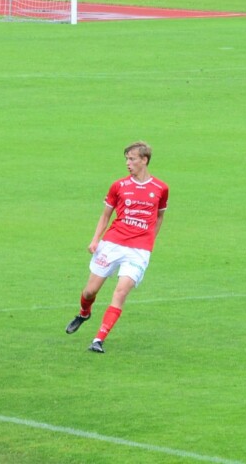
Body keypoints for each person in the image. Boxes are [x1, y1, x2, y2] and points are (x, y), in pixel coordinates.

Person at [64, 141, 169, 354]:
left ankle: (98, 340)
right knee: (90, 290)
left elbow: (159, 217)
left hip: (138, 250)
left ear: (144, 160)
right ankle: (84, 313)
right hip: (112, 243)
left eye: (132, 159)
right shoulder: (119, 186)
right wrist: (95, 240)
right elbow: (105, 216)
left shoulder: (160, 188)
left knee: (120, 292)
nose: (128, 163)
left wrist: (150, 241)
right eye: (126, 159)